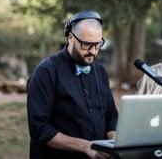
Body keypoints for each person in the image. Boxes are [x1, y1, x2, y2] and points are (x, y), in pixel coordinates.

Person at [27, 11, 118, 159]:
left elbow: (111, 117)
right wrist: (85, 146)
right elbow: (41, 129)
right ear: (70, 38)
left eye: (98, 44)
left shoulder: (101, 72)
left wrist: (114, 141)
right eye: (87, 44)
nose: (93, 51)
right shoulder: (45, 72)